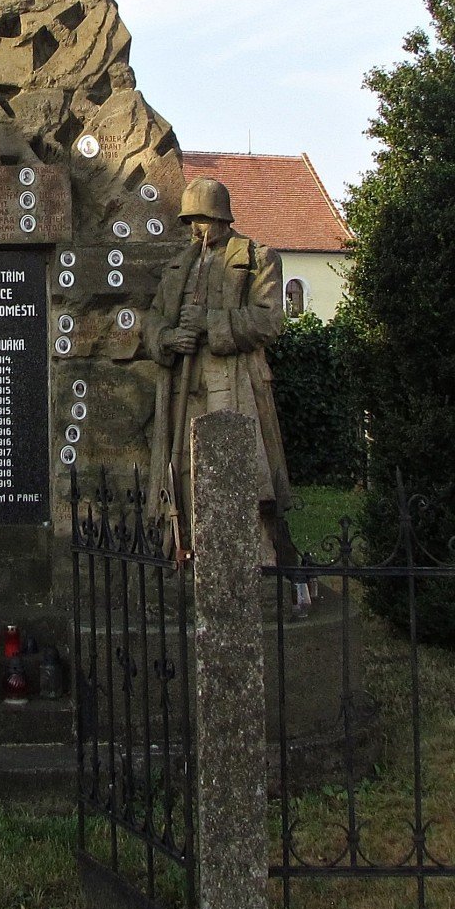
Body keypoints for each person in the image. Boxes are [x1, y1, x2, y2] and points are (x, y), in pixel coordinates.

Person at [146, 178, 308, 598]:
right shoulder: (179, 265)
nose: (197, 230)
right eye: (191, 221)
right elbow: (154, 321)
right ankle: (188, 561)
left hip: (232, 382)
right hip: (185, 383)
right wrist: (167, 338)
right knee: (182, 474)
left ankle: (250, 565)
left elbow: (269, 320)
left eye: (202, 220)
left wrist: (211, 324)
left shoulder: (257, 258)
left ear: (220, 217)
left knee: (240, 472)